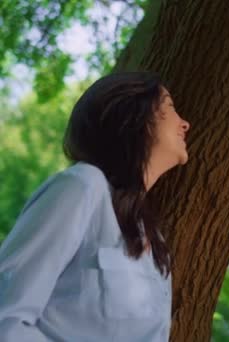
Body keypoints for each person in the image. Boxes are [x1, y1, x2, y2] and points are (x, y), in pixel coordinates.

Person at [0, 72, 190, 341]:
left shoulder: (154, 241)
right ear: (136, 117)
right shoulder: (83, 186)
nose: (185, 123)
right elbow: (6, 317)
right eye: (170, 107)